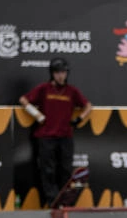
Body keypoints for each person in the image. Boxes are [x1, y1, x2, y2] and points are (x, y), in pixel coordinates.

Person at [18, 58, 91, 207]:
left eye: (63, 72)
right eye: (57, 72)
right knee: (48, 170)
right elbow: (23, 100)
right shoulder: (44, 88)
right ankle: (53, 201)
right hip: (46, 136)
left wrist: (79, 119)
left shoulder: (72, 91)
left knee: (65, 170)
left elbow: (88, 106)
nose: (60, 76)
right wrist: (36, 115)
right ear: (52, 73)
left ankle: (65, 200)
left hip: (65, 136)